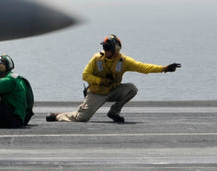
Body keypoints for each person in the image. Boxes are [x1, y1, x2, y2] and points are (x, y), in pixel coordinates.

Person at [46, 35, 180, 123]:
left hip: (112, 91)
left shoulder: (124, 61)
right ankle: (58, 115)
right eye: (104, 48)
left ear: (116, 50)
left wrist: (164, 69)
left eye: (108, 49)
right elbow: (85, 75)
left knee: (131, 88)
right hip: (96, 93)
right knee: (82, 118)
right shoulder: (97, 58)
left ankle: (114, 112)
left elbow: (142, 67)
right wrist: (101, 81)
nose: (105, 51)